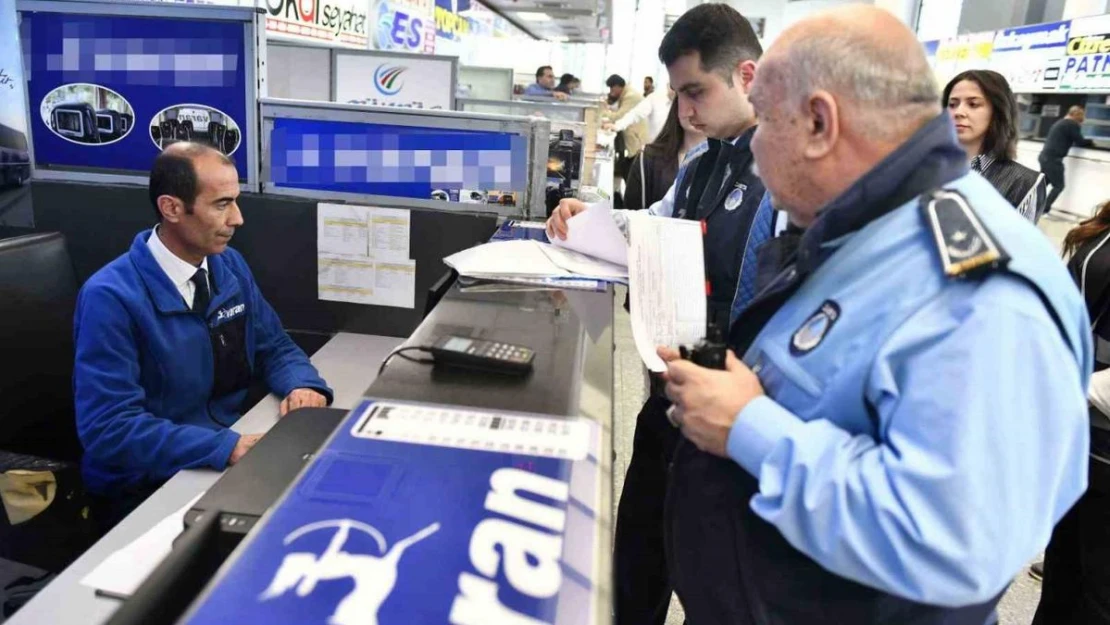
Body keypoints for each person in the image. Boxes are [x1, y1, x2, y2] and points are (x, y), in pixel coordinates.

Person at [659, 6, 1090, 624]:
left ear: (818, 123)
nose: (753, 148)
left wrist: (749, 427)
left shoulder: (976, 294)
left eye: (765, 123)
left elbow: (952, 541)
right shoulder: (868, 231)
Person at [548, 6, 774, 624]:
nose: (686, 112)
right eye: (678, 95)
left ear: (747, 75)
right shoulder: (704, 164)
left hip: (741, 421)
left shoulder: (787, 176)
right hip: (672, 395)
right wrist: (587, 217)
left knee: (717, 587)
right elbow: (648, 231)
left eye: (696, 92)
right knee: (635, 564)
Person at [74, 142, 333, 529]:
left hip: (221, 454)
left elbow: (274, 346)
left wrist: (304, 386)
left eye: (236, 201)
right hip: (147, 487)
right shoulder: (110, 297)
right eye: (221, 204)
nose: (238, 219)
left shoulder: (226, 265)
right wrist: (226, 447)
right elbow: (109, 428)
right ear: (172, 208)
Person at [1031, 205, 1110, 624]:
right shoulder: (1104, 225)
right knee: (1063, 577)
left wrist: (1072, 385)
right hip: (1077, 438)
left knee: (1098, 597)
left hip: (1098, 426)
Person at [944, 69, 1046, 221]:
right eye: (952, 104)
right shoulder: (923, 165)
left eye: (973, 104)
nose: (959, 112)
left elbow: (1015, 242)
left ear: (997, 111)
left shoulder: (1023, 182)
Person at [624, 98, 706, 211]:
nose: (695, 111)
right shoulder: (648, 159)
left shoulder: (729, 163)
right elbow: (632, 215)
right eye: (688, 98)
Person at [1040, 105, 1094, 213]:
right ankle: (1043, 209)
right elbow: (1080, 141)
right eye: (1080, 118)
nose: (1081, 120)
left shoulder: (1061, 122)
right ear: (1076, 115)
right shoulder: (1071, 124)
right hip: (1053, 159)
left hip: (1045, 157)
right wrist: (1091, 142)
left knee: (1042, 184)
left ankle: (1030, 204)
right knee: (1059, 186)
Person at [601, 75, 649, 171]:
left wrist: (602, 111)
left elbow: (619, 116)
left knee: (634, 167)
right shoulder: (627, 93)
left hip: (637, 137)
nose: (611, 91)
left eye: (612, 88)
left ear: (617, 86)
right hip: (634, 135)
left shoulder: (630, 96)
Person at [604, 83, 674, 145]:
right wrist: (617, 126)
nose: (675, 91)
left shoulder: (682, 103)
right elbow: (635, 114)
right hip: (655, 148)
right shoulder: (655, 98)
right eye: (672, 87)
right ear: (667, 85)